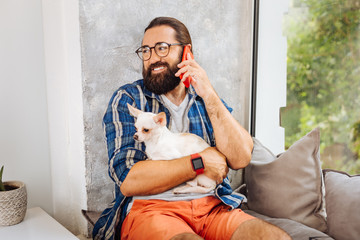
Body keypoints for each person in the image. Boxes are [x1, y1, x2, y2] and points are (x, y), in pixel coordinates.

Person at [93, 17, 291, 240]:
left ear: (186, 53)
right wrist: (201, 161)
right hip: (153, 209)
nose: (152, 58)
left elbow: (241, 157)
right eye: (146, 51)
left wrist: (208, 93)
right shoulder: (130, 99)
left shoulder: (206, 101)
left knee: (274, 238)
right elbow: (130, 180)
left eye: (162, 48)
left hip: (213, 207)